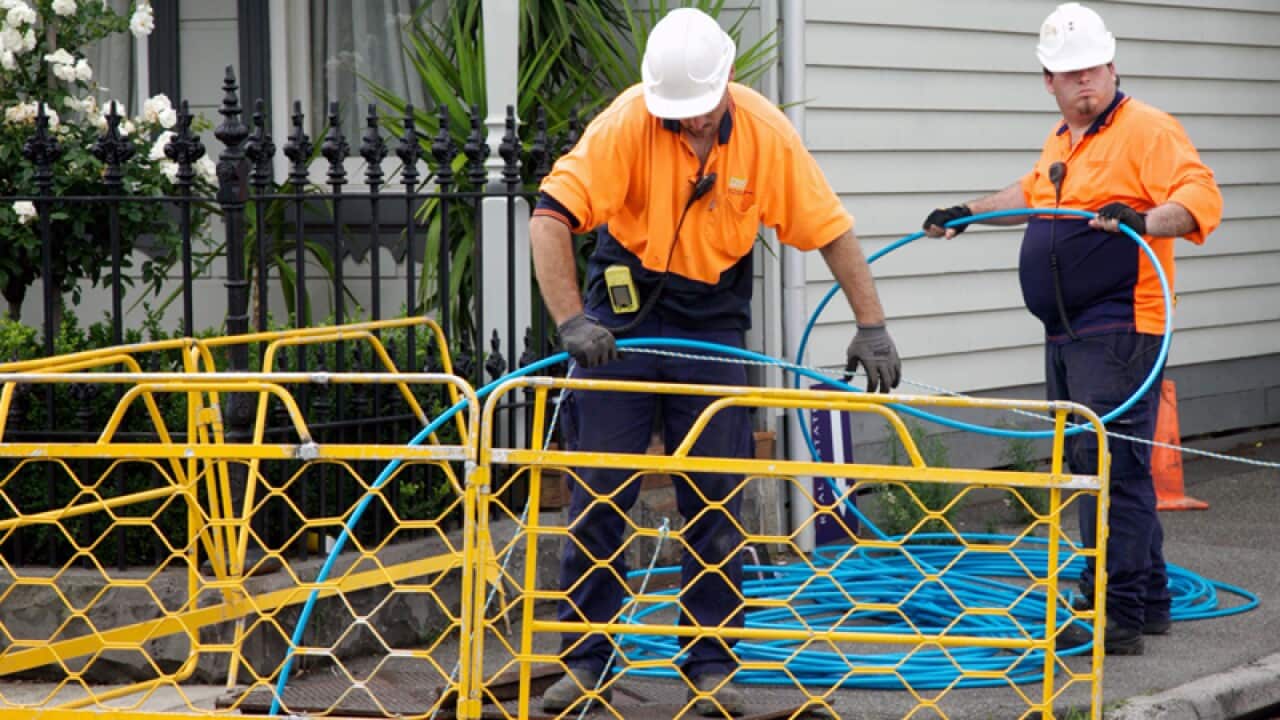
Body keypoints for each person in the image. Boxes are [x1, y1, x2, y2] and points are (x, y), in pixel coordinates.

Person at [530, 7, 900, 715]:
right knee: (600, 495)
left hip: (713, 319)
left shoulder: (765, 135)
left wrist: (872, 327)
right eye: (681, 117)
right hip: (624, 315)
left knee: (716, 501)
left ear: (728, 81)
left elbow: (832, 229)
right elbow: (549, 214)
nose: (693, 127)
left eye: (702, 113)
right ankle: (585, 660)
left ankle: (709, 664)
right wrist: (571, 319)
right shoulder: (627, 123)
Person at [922, 2, 1222, 656]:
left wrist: (1144, 221)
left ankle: (1115, 613)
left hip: (1123, 325)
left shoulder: (1146, 130)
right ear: (1048, 83)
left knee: (1111, 467)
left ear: (1112, 67)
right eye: (1070, 73)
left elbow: (1201, 199)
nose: (1085, 81)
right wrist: (963, 213)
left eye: (1094, 69)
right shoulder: (1063, 140)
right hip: (1067, 332)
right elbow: (1026, 196)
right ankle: (1149, 602)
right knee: (1105, 463)